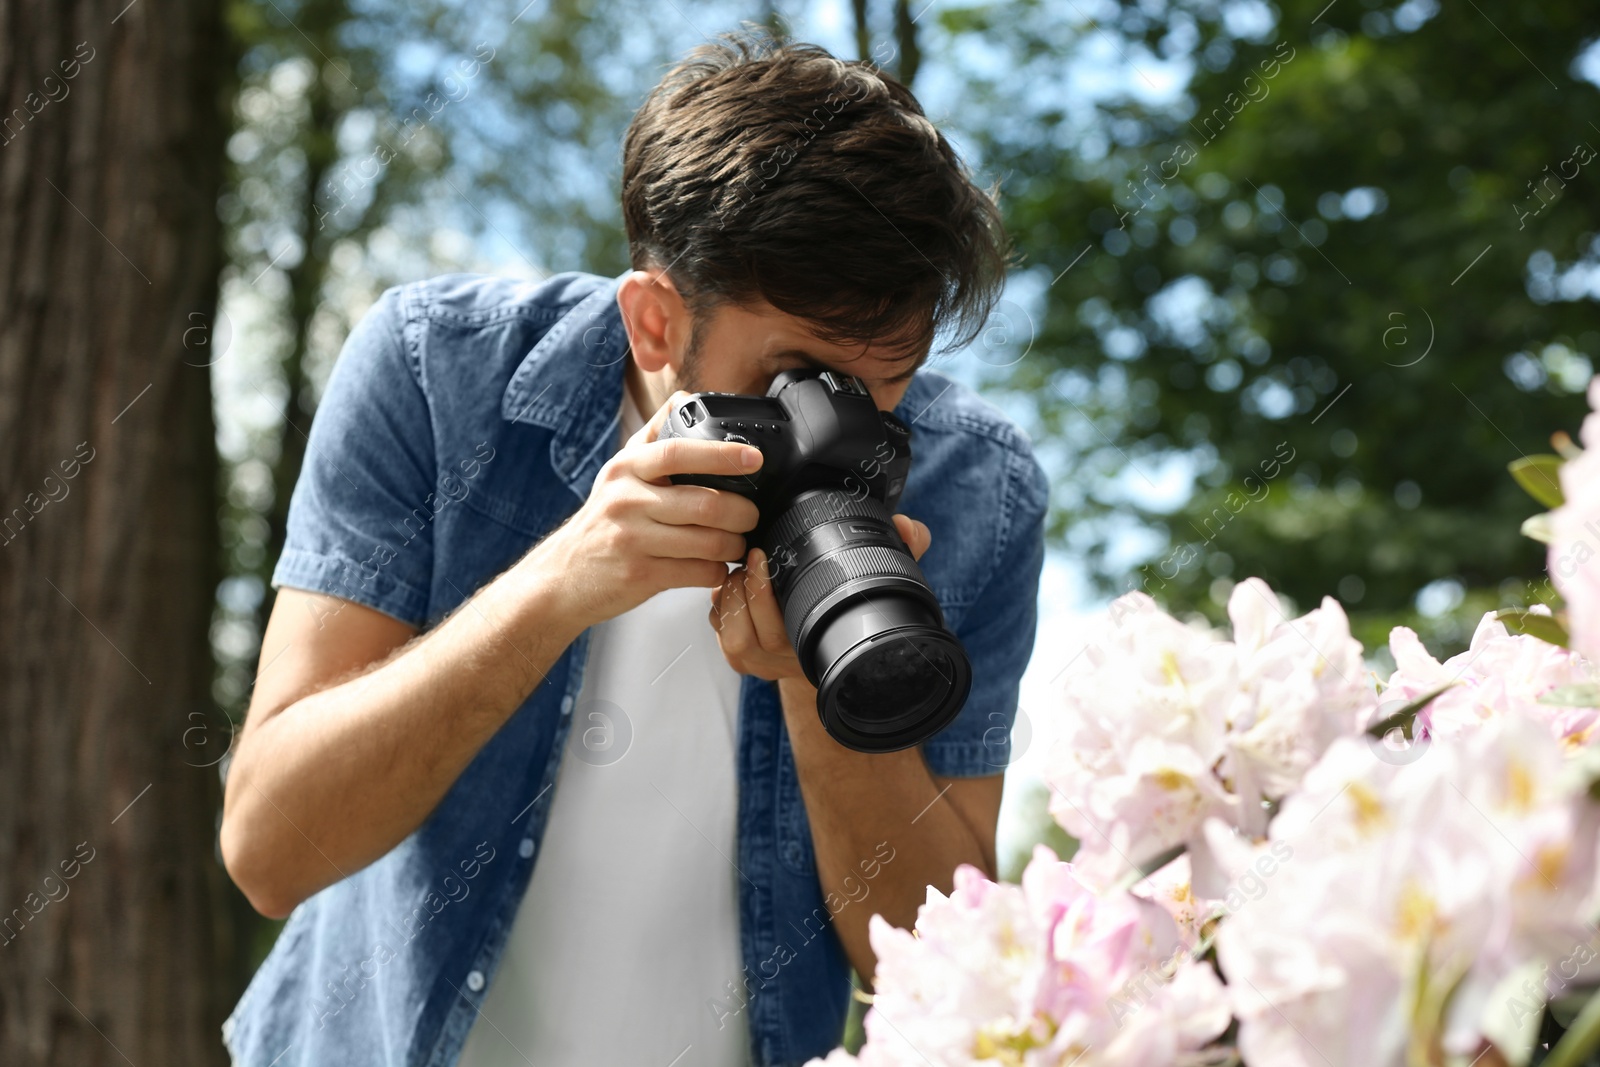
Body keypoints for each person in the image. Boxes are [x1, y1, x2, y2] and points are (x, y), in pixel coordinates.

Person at [219, 30, 1047, 1067]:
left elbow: (941, 957)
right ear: (656, 324)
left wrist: (819, 684)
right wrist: (557, 586)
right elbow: (270, 845)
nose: (850, 430)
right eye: (802, 379)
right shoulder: (440, 375)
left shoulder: (975, 488)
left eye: (886, 387)